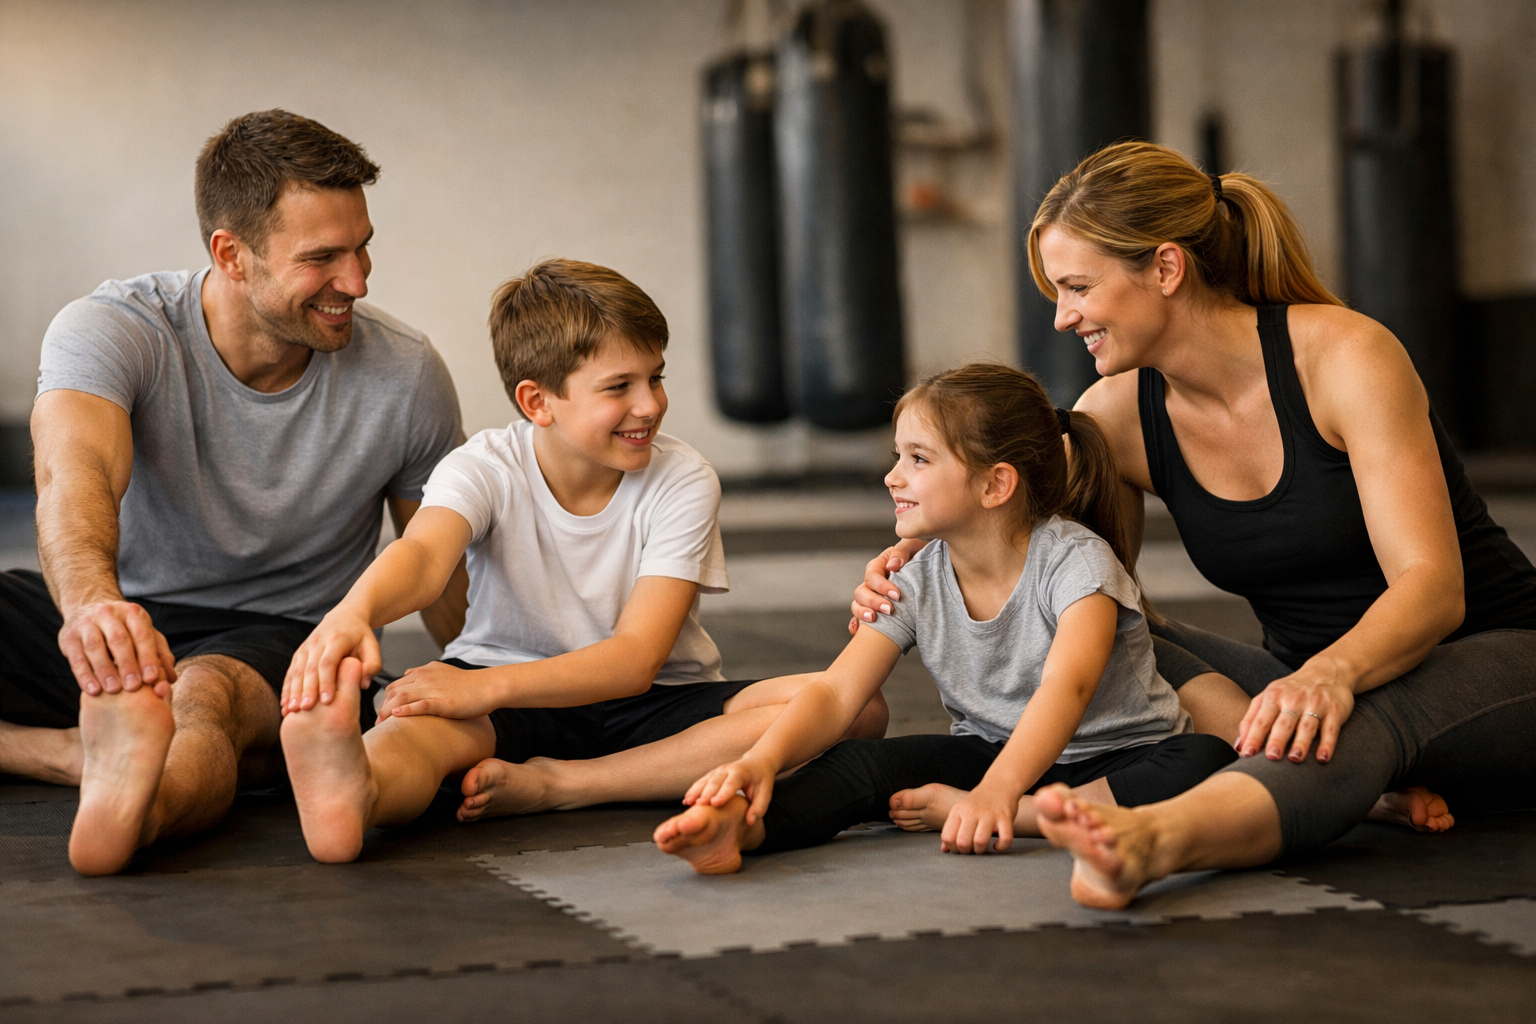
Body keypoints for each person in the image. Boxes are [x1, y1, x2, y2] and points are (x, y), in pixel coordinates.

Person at [853, 141, 1536, 908]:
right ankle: (1341, 784)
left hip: (1493, 660)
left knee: (1361, 718)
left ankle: (1153, 839)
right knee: (1123, 627)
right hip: (1293, 689)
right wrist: (911, 556)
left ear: (1167, 270)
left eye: (1077, 287)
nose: (1062, 315)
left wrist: (1329, 675)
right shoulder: (1116, 416)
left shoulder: (1344, 358)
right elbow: (1019, 540)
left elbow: (1433, 587)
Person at [277, 259, 887, 863]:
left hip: (656, 701)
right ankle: (361, 789)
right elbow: (422, 555)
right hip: (507, 689)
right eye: (619, 387)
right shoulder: (484, 465)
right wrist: (353, 613)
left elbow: (634, 661)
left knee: (857, 706)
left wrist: (484, 691)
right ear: (538, 401)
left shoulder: (684, 479)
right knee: (414, 734)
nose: (649, 405)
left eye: (656, 377)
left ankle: (565, 786)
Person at [0, 110, 465, 876]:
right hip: (124, 612)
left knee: (199, 697)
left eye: (363, 249)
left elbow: (444, 576)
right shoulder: (115, 329)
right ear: (231, 254)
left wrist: (512, 687)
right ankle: (67, 754)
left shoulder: (406, 375)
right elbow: (73, 474)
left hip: (278, 637)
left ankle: (138, 805)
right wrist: (93, 612)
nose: (356, 281)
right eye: (322, 259)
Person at [653, 363, 1237, 874]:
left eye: (918, 459)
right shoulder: (915, 577)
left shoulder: (1078, 564)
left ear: (994, 484)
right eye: (896, 458)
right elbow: (836, 693)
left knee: (1203, 760)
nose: (892, 477)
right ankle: (745, 830)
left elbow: (1068, 688)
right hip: (989, 750)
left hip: (1119, 759)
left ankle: (1026, 816)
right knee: (861, 763)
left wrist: (994, 796)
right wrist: (761, 761)